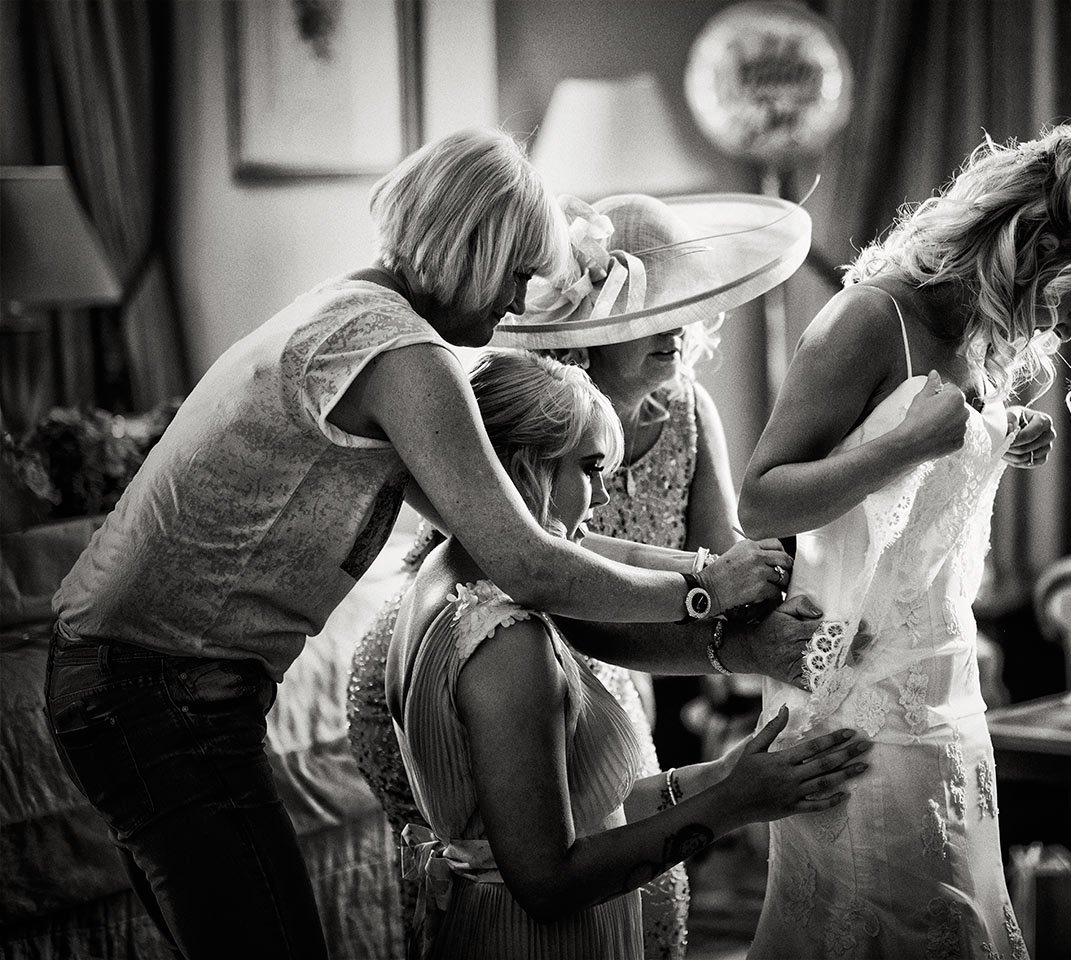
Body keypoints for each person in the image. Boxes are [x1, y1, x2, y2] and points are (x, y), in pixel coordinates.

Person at [44, 127, 796, 960]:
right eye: (514, 275)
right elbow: (531, 563)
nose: (517, 305)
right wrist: (704, 592)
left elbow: (534, 530)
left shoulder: (350, 313)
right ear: (471, 250)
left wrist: (704, 571)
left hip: (127, 673)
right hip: (158, 684)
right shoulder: (401, 353)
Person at [349, 188, 814, 959]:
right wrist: (721, 617)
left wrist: (766, 603)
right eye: (651, 309)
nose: (677, 327)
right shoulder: (542, 421)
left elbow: (718, 561)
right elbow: (557, 581)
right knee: (498, 881)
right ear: (593, 326)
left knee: (631, 882)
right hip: (498, 655)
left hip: (562, 656)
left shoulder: (688, 411)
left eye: (683, 305)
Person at [737, 122, 1071, 958]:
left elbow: (933, 466)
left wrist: (999, 433)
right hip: (854, 693)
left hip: (948, 691)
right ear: (1034, 245)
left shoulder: (986, 333)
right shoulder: (866, 319)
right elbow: (760, 503)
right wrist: (909, 445)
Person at [386, 348, 874, 959]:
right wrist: (733, 806)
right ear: (525, 468)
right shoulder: (509, 644)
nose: (599, 498)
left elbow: (571, 818)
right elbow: (550, 881)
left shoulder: (443, 577)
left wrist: (718, 776)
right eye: (589, 469)